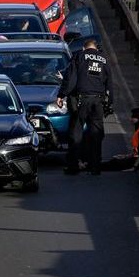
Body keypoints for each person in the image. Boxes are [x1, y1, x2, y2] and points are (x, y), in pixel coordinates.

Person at [57, 39, 112, 175]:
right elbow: (109, 82)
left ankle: (73, 166)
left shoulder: (79, 57)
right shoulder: (104, 59)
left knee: (76, 133)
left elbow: (71, 79)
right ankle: (95, 167)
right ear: (95, 48)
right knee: (96, 134)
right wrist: (110, 102)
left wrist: (61, 95)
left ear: (83, 48)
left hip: (81, 100)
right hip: (98, 101)